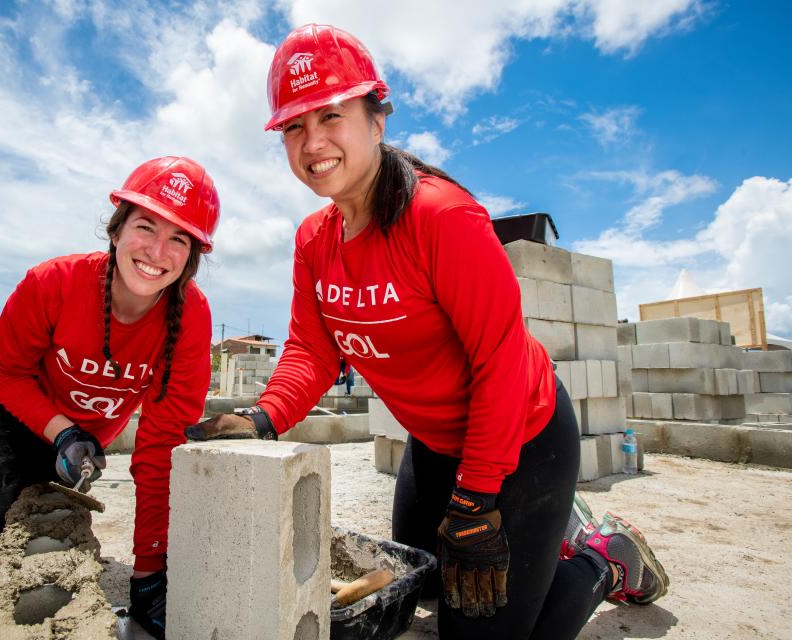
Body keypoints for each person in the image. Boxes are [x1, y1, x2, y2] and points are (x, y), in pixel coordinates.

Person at [186, 24, 668, 639]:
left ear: (376, 120)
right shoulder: (314, 240)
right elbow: (311, 347)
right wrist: (262, 418)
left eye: (330, 116)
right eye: (293, 127)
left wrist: (476, 502)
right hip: (437, 444)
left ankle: (603, 559)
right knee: (425, 590)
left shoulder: (441, 218)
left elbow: (499, 364)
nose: (312, 142)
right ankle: (545, 544)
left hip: (521, 439)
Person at [0, 156, 219, 639]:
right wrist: (63, 432)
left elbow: (161, 448)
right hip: (1, 416)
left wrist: (147, 573)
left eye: (179, 238)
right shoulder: (54, 282)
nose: (158, 250)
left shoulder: (191, 319)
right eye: (146, 227)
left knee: (44, 538)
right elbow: (4, 372)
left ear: (192, 256)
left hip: (74, 436)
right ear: (116, 230)